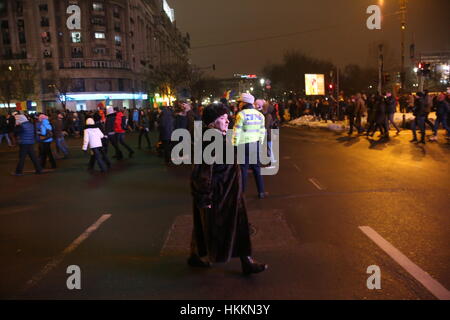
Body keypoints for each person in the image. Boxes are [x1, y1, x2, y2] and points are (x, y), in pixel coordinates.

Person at [189, 103, 268, 275]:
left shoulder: (217, 137)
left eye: (227, 118)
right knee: (227, 227)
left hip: (229, 193)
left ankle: (244, 261)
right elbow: (202, 173)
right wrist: (205, 198)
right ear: (212, 123)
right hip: (220, 195)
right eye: (223, 119)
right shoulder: (210, 140)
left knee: (218, 226)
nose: (227, 122)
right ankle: (245, 261)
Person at [232, 93, 266, 199]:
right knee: (257, 169)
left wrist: (234, 144)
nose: (239, 104)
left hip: (243, 144)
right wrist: (260, 143)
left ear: (245, 103)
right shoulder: (260, 115)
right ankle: (261, 192)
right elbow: (262, 131)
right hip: (255, 144)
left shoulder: (241, 114)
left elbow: (236, 131)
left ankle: (242, 194)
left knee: (243, 169)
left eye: (240, 102)